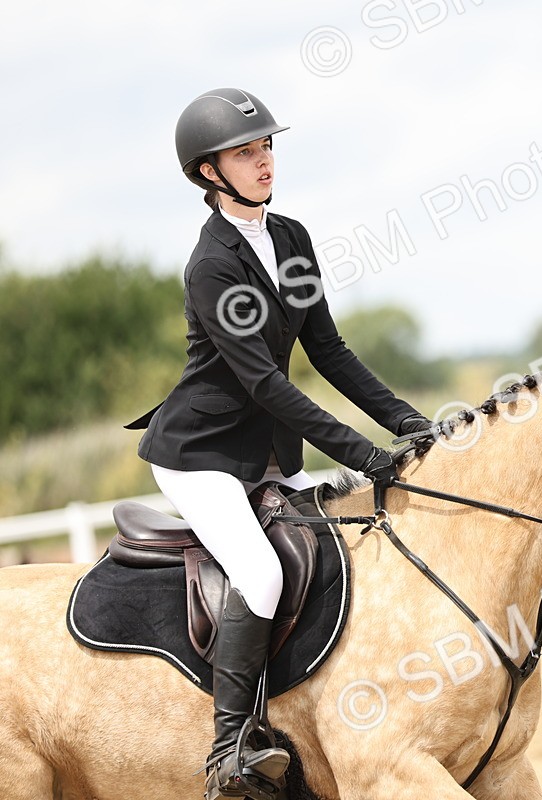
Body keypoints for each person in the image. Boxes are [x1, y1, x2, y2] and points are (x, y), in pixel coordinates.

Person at [124, 87, 433, 799]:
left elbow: (328, 351)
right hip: (200, 456)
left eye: (266, 146)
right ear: (209, 173)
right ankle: (228, 752)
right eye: (245, 152)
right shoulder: (211, 267)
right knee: (260, 574)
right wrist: (366, 456)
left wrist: (410, 424)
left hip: (268, 456)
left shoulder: (290, 236)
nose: (263, 160)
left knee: (344, 542)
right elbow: (267, 385)